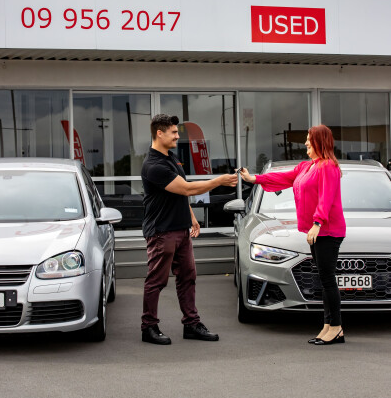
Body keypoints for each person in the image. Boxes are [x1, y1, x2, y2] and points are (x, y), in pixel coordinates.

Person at [240, 124, 346, 346]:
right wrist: (254, 179)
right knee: (324, 279)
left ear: (320, 142)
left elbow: (326, 198)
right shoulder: (307, 167)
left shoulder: (328, 166)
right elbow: (282, 177)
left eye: (309, 139)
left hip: (327, 230)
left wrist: (317, 223)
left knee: (328, 280)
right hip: (317, 231)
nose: (306, 143)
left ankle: (336, 328)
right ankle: (328, 326)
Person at [140, 114, 238, 345]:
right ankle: (149, 327)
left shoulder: (171, 158)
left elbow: (179, 194)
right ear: (159, 133)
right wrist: (219, 181)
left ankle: (192, 324)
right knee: (156, 280)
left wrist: (192, 217)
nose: (177, 136)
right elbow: (186, 189)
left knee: (188, 277)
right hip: (162, 232)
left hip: (181, 229)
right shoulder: (153, 165)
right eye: (173, 132)